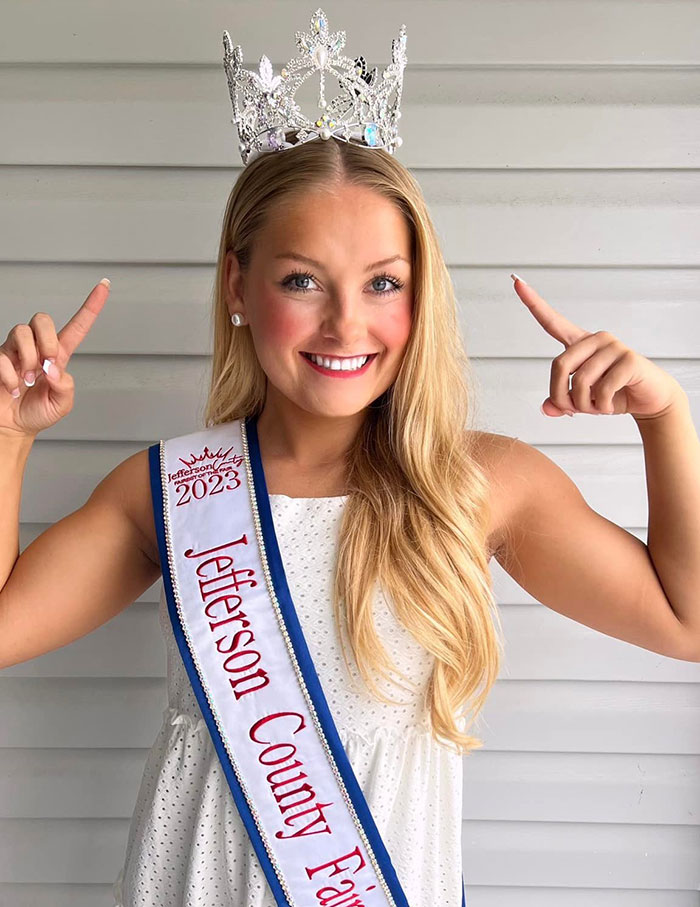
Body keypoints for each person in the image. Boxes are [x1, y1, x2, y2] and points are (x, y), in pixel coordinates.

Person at [2, 9, 700, 907]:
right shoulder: (171, 491)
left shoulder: (480, 485)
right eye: (302, 280)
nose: (346, 323)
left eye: (383, 283)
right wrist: (12, 438)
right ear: (238, 287)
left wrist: (665, 416)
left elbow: (687, 622)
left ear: (420, 296)